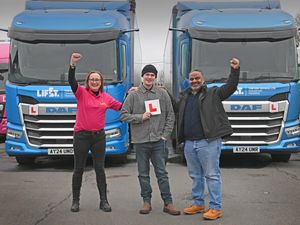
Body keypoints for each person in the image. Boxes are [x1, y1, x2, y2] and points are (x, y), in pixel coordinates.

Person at [178, 58, 240, 220]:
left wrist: (235, 71)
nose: (194, 81)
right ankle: (198, 203)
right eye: (192, 78)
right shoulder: (185, 96)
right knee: (195, 175)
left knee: (212, 175)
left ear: (203, 80)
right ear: (188, 81)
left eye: (197, 78)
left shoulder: (213, 93)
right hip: (189, 143)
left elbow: (230, 87)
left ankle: (215, 207)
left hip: (208, 142)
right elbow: (174, 108)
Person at [120, 64, 180, 216]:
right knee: (143, 173)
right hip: (141, 142)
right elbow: (123, 115)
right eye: (147, 74)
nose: (149, 77)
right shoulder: (133, 95)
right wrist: (141, 117)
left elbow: (171, 116)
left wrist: (164, 135)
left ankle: (168, 202)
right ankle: (146, 202)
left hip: (159, 142)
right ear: (142, 76)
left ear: (155, 77)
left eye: (152, 75)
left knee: (162, 173)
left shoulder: (162, 94)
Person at [68, 53, 122, 213]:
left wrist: (133, 93)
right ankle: (75, 201)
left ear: (101, 82)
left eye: (97, 80)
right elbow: (71, 81)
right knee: (78, 169)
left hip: (98, 138)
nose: (94, 81)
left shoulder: (106, 97)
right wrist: (72, 65)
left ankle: (103, 201)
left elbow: (122, 107)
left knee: (100, 169)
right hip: (81, 137)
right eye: (92, 79)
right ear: (88, 82)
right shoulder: (81, 94)